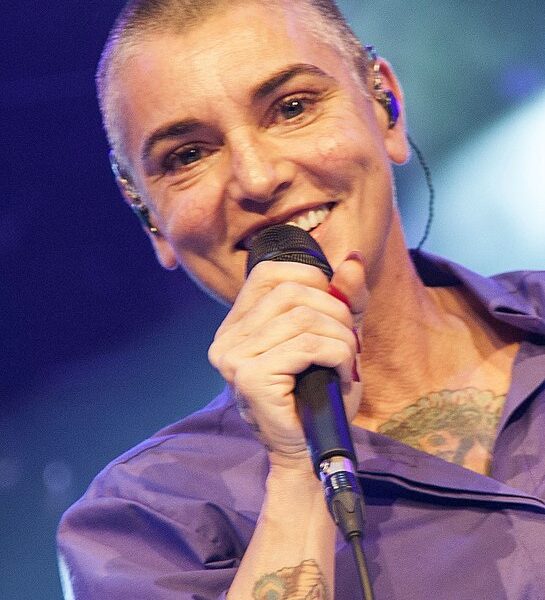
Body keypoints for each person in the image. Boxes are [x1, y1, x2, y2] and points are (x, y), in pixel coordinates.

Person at [57, 0, 545, 598]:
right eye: (188, 155)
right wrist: (296, 472)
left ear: (385, 108)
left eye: (292, 108)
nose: (259, 178)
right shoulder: (145, 522)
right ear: (151, 219)